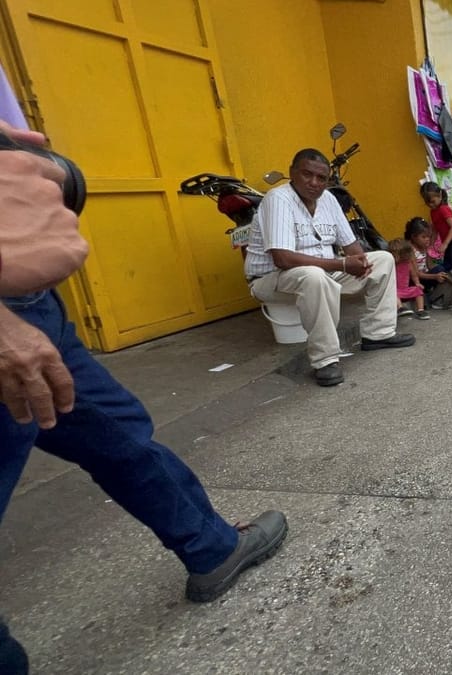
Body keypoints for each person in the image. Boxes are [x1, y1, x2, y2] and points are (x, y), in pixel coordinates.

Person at [0, 120, 288, 673]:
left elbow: (46, 175)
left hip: (32, 305)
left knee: (119, 434)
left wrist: (54, 173)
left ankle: (213, 548)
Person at [244, 148, 414, 387]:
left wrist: (360, 261)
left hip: (324, 272)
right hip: (271, 278)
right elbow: (282, 258)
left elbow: (351, 244)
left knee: (383, 259)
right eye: (306, 174)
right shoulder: (278, 199)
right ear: (292, 173)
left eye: (321, 178)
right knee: (313, 276)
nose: (314, 183)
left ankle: (378, 334)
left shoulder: (328, 200)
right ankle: (325, 360)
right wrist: (343, 263)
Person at [420, 182, 452, 312]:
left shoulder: (444, 209)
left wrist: (445, 244)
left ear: (439, 195)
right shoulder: (433, 212)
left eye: (432, 201)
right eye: (427, 203)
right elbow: (436, 229)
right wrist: (431, 244)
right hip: (449, 242)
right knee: (445, 267)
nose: (430, 205)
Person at [404, 217, 452, 304]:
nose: (427, 239)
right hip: (415, 281)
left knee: (441, 269)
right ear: (413, 237)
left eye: (428, 237)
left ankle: (445, 293)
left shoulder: (424, 246)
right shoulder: (410, 250)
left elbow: (429, 265)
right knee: (439, 272)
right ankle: (434, 298)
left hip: (425, 277)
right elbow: (417, 274)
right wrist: (435, 276)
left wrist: (439, 273)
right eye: (423, 237)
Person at [387, 238, 429, 320]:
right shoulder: (391, 264)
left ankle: (421, 310)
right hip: (395, 290)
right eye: (403, 255)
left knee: (418, 290)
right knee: (393, 293)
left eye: (407, 254)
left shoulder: (407, 263)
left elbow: (414, 275)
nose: (406, 257)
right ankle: (400, 308)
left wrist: (417, 283)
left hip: (405, 289)